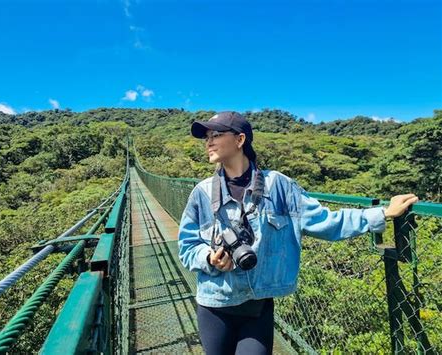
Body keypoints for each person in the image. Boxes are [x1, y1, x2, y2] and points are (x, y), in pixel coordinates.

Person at [177, 111, 419, 355]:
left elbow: (326, 221)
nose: (208, 142)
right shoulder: (202, 193)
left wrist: (383, 213)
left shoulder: (279, 186)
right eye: (206, 137)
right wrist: (209, 258)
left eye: (216, 135)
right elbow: (187, 247)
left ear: (240, 140)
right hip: (214, 305)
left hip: (258, 305)